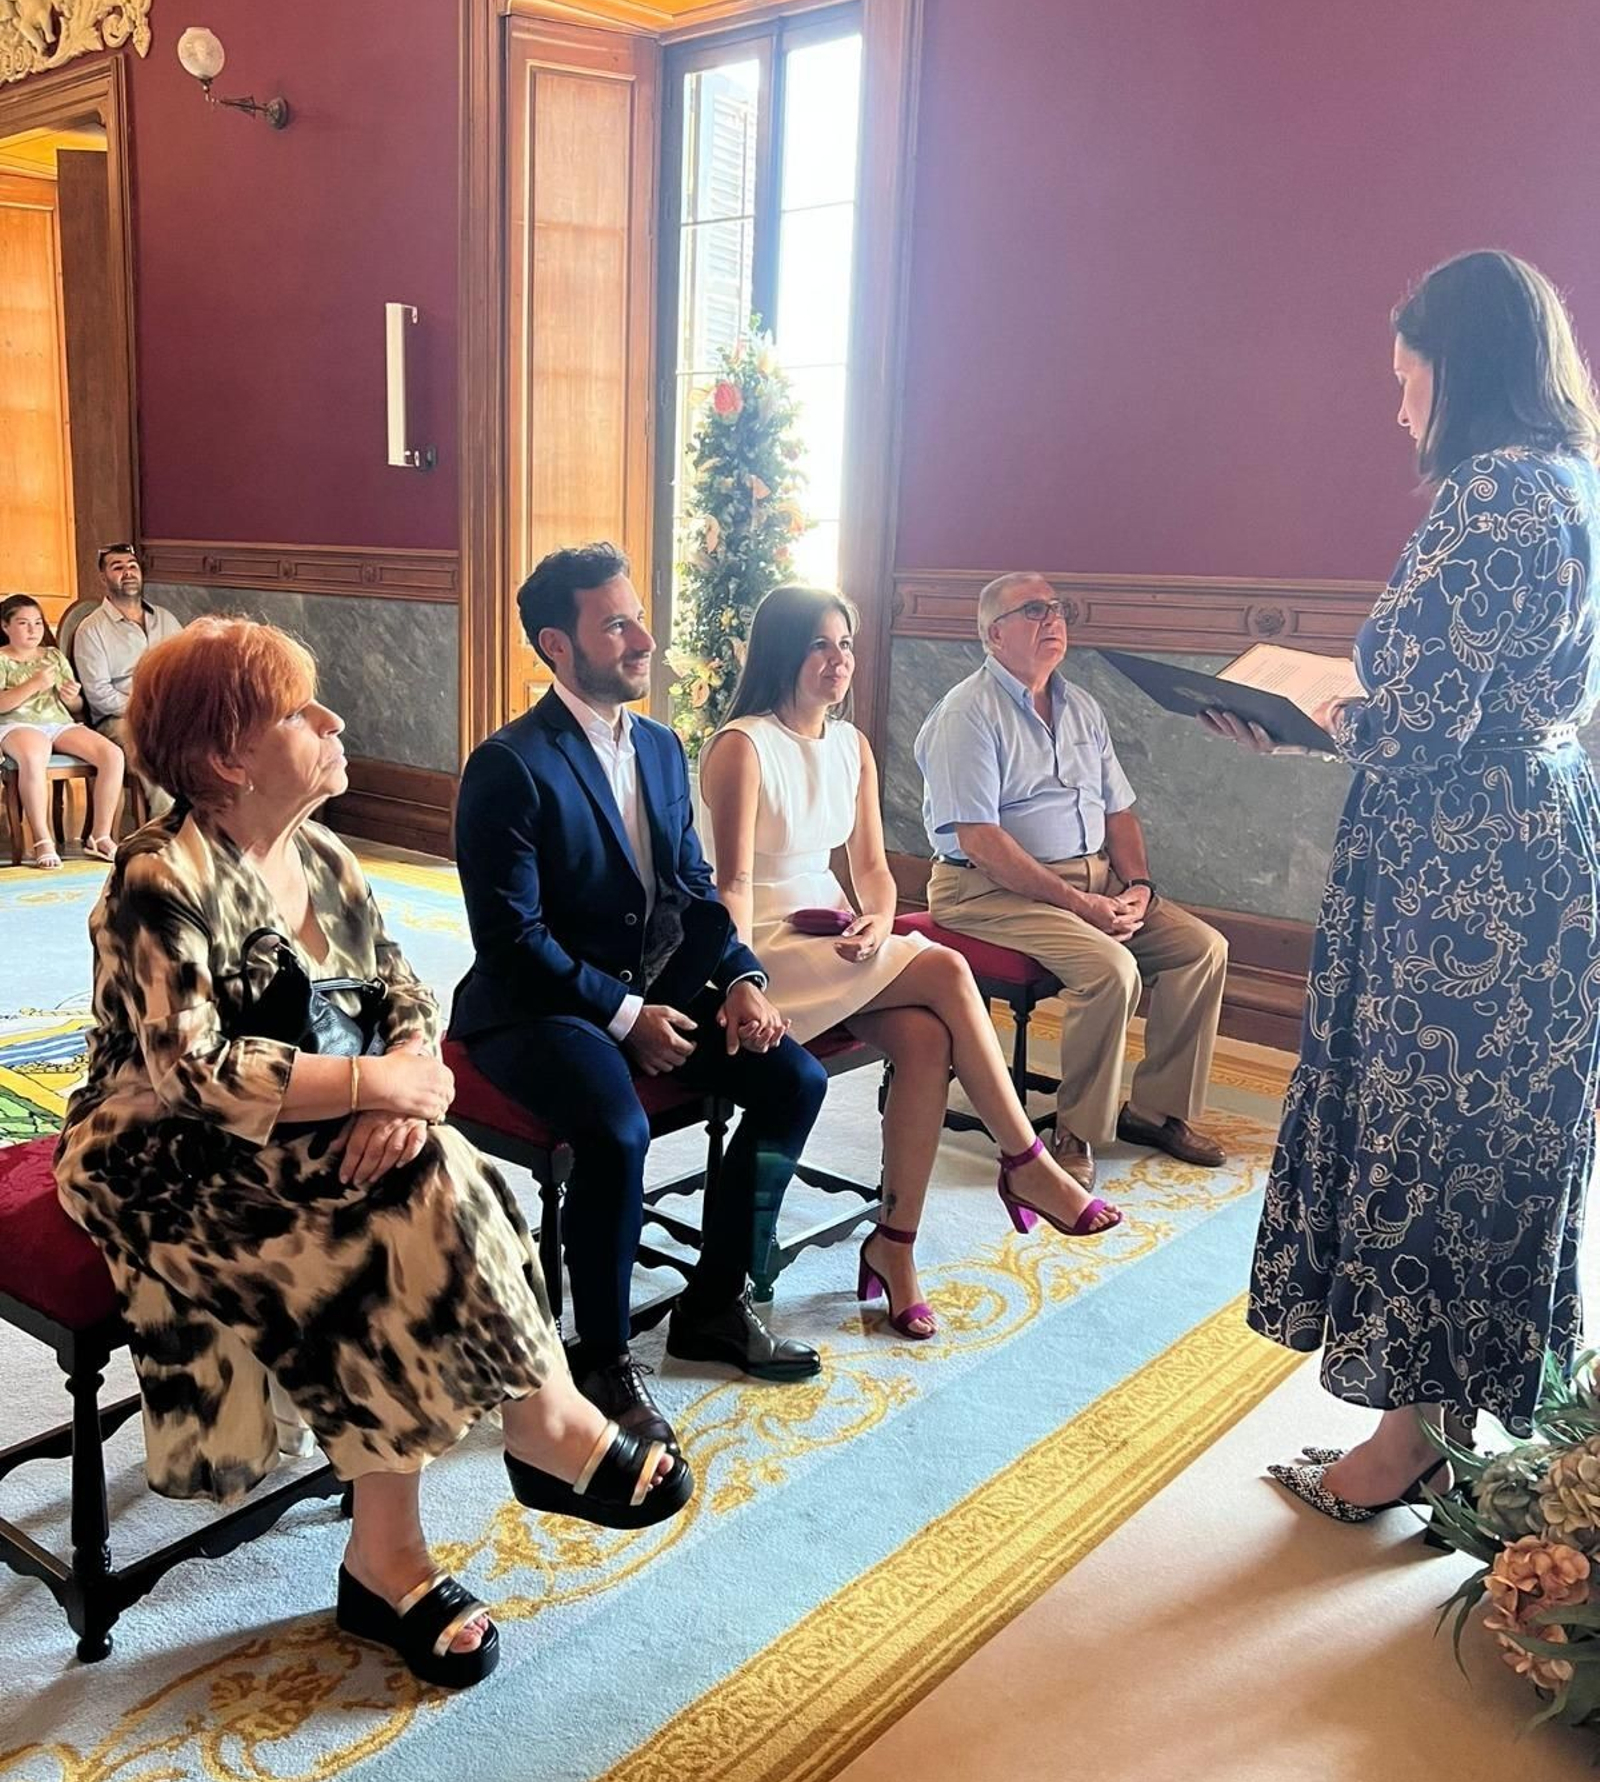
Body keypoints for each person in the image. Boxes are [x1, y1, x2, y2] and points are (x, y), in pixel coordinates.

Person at [53, 617, 690, 1692]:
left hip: (307, 1124)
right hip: (157, 1154)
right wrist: (374, 1087)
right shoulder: (156, 878)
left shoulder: (323, 853)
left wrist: (407, 1080)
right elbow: (193, 1075)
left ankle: (403, 1541)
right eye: (300, 711)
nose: (333, 718)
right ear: (226, 759)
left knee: (428, 1168)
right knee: (385, 1224)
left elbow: (399, 987)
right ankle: (510, 1451)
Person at [1208, 250, 1600, 1521]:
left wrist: (1306, 714)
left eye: (1405, 376)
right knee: (1490, 1141)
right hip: (1535, 832)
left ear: (1461, 367)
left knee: (1425, 1134)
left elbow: (1424, 717)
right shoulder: (1571, 481)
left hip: (1461, 869)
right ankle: (1441, 1416)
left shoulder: (1489, 495)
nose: (1396, 408)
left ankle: (1407, 1438)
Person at [449, 545, 827, 1449]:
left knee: (795, 1081)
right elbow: (512, 938)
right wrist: (626, 1018)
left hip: (649, 985)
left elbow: (694, 886)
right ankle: (604, 1358)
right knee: (616, 1130)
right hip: (534, 1007)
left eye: (637, 615)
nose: (643, 638)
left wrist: (737, 975)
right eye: (615, 623)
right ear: (556, 644)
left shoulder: (660, 746)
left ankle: (715, 1301)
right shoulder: (509, 763)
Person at [699, 586, 1121, 1342]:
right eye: (820, 645)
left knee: (928, 1041)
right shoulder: (742, 744)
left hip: (833, 937)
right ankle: (1024, 1157)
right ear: (784, 653)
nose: (838, 662)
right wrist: (742, 975)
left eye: (846, 645)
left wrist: (878, 921)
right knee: (948, 971)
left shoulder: (850, 745)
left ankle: (895, 1248)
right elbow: (728, 882)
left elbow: (873, 869)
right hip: (759, 943)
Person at [913, 571, 1229, 1190]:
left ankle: (1153, 1112)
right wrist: (1082, 906)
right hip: (984, 889)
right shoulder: (966, 714)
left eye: (1057, 608)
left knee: (1202, 949)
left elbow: (1119, 811)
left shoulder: (1081, 706)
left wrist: (1137, 885)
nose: (1053, 619)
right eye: (1034, 610)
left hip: (1094, 879)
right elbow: (981, 842)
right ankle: (1074, 1131)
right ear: (993, 634)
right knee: (1112, 969)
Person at [0, 593, 125, 866]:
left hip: (58, 722)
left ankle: (100, 836)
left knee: (112, 755)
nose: (33, 630)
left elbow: (76, 705)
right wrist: (33, 684)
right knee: (35, 755)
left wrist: (71, 697)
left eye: (38, 623)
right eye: (23, 623)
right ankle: (42, 839)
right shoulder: (2, 659)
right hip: (16, 724)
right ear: (5, 626)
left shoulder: (53, 656)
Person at [72, 542, 183, 818]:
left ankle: (217, 832)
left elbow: (188, 669)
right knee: (155, 754)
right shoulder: (92, 629)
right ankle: (168, 832)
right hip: (119, 721)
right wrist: (146, 711)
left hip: (171, 714)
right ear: (103, 578)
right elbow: (99, 695)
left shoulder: (166, 619)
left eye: (132, 566)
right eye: (117, 567)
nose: (128, 572)